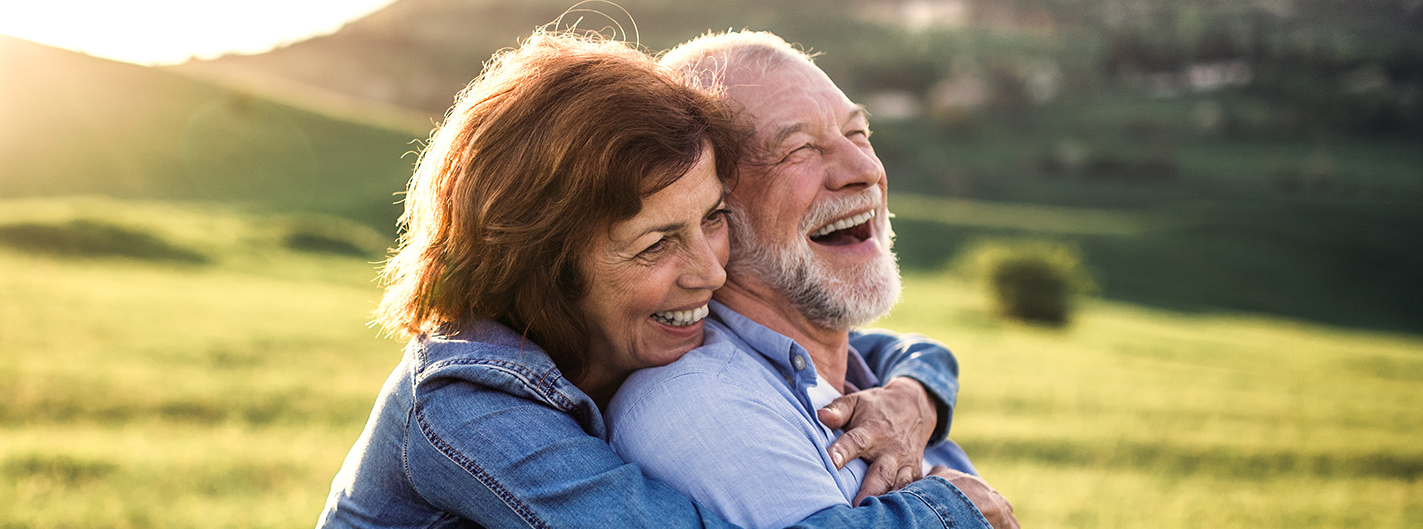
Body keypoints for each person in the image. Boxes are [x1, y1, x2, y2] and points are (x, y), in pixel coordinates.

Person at [317, 30, 991, 529]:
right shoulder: (467, 404)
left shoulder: (641, 332)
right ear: (548, 267)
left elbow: (881, 350)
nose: (709, 269)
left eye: (714, 218)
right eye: (657, 244)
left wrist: (914, 395)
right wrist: (948, 508)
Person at [605, 31, 1018, 529]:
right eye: (798, 148)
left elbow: (910, 352)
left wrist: (919, 386)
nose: (864, 169)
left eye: (859, 134)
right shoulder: (698, 402)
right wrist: (959, 513)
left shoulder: (872, 383)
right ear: (710, 206)